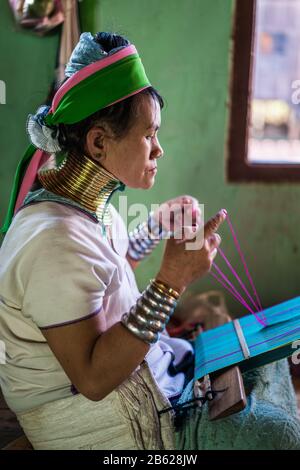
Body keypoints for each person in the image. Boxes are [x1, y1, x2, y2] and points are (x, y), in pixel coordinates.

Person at [0, 31, 225, 450]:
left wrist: (155, 227)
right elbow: (94, 379)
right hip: (89, 418)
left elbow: (108, 280)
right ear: (99, 142)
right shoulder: (53, 241)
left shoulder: (86, 204)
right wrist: (172, 281)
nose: (159, 150)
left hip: (126, 383)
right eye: (149, 134)